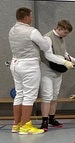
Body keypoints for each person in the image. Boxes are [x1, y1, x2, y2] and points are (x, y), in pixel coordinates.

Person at [8, 7, 67, 135]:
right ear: (25, 18)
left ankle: (16, 124)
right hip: (29, 66)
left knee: (19, 95)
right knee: (29, 96)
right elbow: (45, 46)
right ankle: (25, 126)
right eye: (30, 16)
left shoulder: (12, 30)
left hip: (15, 64)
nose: (32, 18)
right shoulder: (32, 31)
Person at [39, 19, 75, 131]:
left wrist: (74, 60)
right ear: (59, 28)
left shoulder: (61, 38)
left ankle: (51, 119)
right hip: (47, 70)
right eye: (65, 32)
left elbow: (64, 53)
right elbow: (48, 55)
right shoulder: (47, 38)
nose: (66, 35)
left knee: (55, 96)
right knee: (47, 95)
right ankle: (44, 121)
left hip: (58, 71)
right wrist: (65, 62)